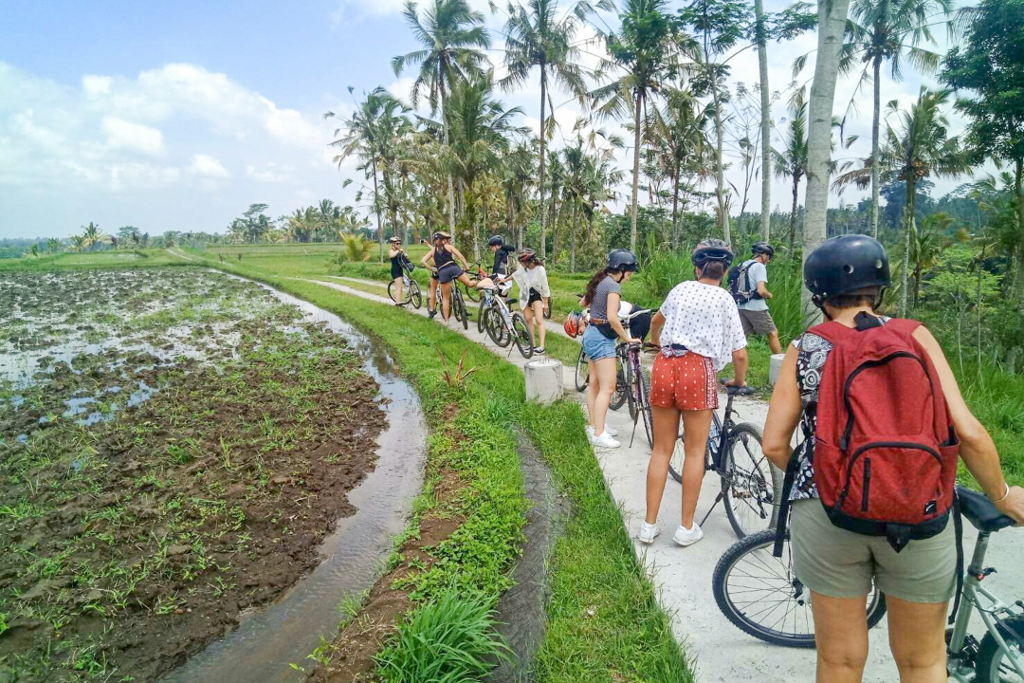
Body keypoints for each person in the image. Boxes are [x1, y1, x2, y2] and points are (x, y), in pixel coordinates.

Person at [761, 234, 1024, 683]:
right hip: (919, 509)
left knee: (839, 660)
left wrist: (825, 476)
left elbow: (773, 445)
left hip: (829, 514)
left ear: (820, 294)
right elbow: (968, 432)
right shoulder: (914, 335)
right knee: (923, 661)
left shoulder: (805, 347)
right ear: (878, 288)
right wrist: (1002, 495)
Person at [641, 239, 749, 547]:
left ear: (696, 268)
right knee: (694, 451)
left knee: (661, 449)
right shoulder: (724, 298)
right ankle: (686, 527)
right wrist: (739, 381)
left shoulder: (680, 289)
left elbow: (655, 321)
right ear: (724, 272)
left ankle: (649, 525)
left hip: (664, 365)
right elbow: (740, 353)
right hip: (696, 370)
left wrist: (657, 342)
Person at [580, 249, 641, 449]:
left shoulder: (599, 281)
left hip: (590, 334)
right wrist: (628, 338)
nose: (629, 278)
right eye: (629, 274)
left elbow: (583, 303)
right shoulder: (613, 286)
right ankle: (599, 434)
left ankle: (595, 425)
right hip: (601, 339)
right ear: (621, 269)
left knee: (595, 385)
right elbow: (613, 317)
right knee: (608, 387)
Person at [735, 242, 782, 354]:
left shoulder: (742, 265)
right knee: (772, 332)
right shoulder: (759, 267)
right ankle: (780, 362)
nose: (769, 261)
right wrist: (769, 295)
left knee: (741, 338)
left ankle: (733, 362)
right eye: (769, 257)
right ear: (764, 255)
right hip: (756, 307)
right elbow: (761, 290)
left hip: (740, 305)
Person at [420, 231, 473, 323]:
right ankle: (482, 282)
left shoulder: (433, 250)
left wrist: (433, 269)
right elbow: (460, 256)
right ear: (444, 240)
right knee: (468, 283)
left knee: (443, 296)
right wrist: (466, 267)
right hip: (451, 268)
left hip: (441, 271)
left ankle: (441, 317)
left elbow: (424, 260)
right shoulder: (448, 247)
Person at [510, 248, 550, 354]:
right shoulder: (523, 269)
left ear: (528, 261)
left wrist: (545, 303)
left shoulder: (540, 269)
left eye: (522, 262)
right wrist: (503, 280)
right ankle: (532, 344)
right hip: (525, 294)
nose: (521, 264)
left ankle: (541, 347)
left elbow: (545, 287)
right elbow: (515, 275)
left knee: (539, 320)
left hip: (536, 294)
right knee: (528, 319)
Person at [487, 235, 515, 299]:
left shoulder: (498, 252)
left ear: (496, 246)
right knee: (503, 297)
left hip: (500, 276)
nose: (491, 249)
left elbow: (496, 265)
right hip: (507, 277)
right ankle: (505, 308)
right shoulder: (506, 251)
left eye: (492, 247)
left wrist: (493, 275)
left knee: (494, 292)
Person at [388, 236, 408, 307]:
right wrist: (398, 251)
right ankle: (398, 303)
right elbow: (391, 255)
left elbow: (405, 257)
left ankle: (398, 301)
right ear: (393, 244)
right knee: (398, 287)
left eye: (399, 243)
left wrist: (404, 253)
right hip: (395, 270)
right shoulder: (391, 251)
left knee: (401, 287)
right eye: (397, 244)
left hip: (400, 270)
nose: (398, 245)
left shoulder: (399, 251)